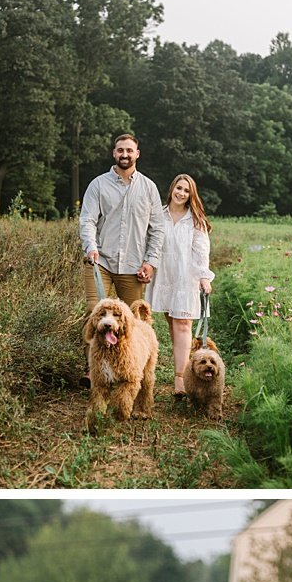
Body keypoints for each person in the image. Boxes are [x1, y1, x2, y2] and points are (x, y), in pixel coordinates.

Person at [79, 132, 167, 307]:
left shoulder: (149, 188)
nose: (124, 154)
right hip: (99, 261)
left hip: (133, 265)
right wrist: (90, 247)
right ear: (114, 153)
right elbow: (87, 220)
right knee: (94, 313)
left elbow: (157, 229)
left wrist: (150, 262)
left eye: (129, 150)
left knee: (132, 321)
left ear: (137, 153)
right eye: (120, 150)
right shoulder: (98, 185)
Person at [146, 173, 215, 397]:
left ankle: (180, 380)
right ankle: (186, 367)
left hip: (187, 277)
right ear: (172, 189)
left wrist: (204, 277)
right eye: (179, 188)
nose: (181, 193)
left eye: (186, 191)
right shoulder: (158, 215)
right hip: (164, 276)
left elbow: (201, 252)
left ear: (190, 195)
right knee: (173, 324)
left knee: (183, 324)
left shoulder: (196, 221)